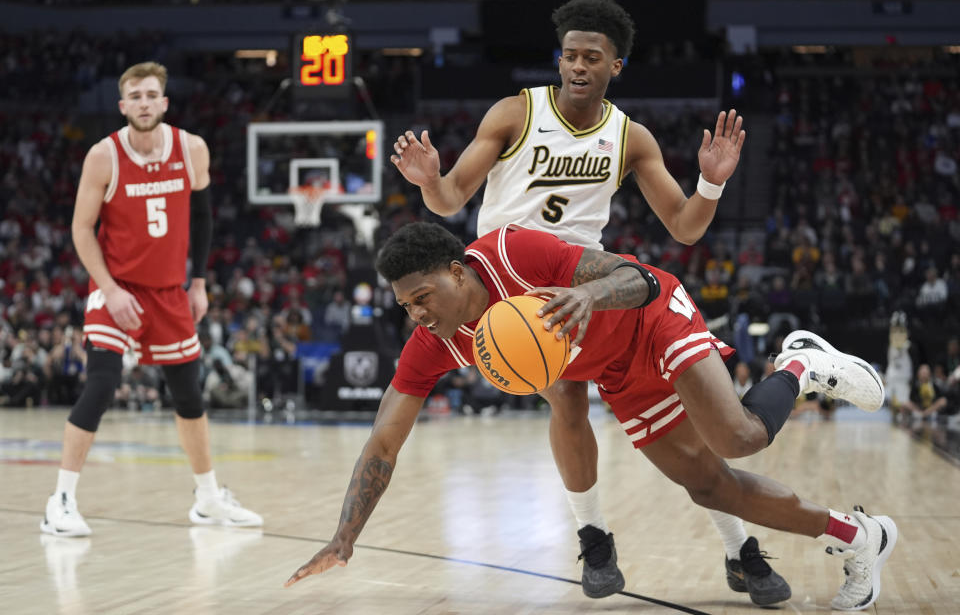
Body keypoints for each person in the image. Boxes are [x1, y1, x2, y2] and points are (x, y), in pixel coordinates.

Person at [389, 0, 787, 605]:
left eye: (591, 57)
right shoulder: (515, 113)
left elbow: (683, 226)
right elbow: (451, 199)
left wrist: (712, 180)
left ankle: (738, 548)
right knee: (567, 402)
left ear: (614, 67)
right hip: (508, 282)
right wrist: (429, 182)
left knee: (686, 422)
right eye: (569, 55)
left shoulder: (631, 138)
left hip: (585, 282)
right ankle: (594, 534)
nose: (576, 66)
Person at [286, 223, 896, 611]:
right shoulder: (436, 343)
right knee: (712, 486)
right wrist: (344, 539)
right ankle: (858, 536)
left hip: (651, 317)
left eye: (422, 298)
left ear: (456, 271)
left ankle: (799, 366)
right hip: (617, 374)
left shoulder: (509, 252)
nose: (416, 314)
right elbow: (383, 443)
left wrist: (588, 295)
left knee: (738, 438)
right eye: (404, 305)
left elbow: (635, 279)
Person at [40, 62, 261, 537]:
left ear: (164, 102)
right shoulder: (104, 156)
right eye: (135, 96)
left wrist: (198, 282)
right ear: (123, 106)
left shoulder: (191, 148)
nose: (143, 102)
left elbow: (202, 218)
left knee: (189, 395)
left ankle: (207, 500)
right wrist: (110, 289)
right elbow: (81, 229)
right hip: (115, 286)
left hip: (168, 291)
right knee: (101, 383)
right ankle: (59, 501)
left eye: (151, 94)